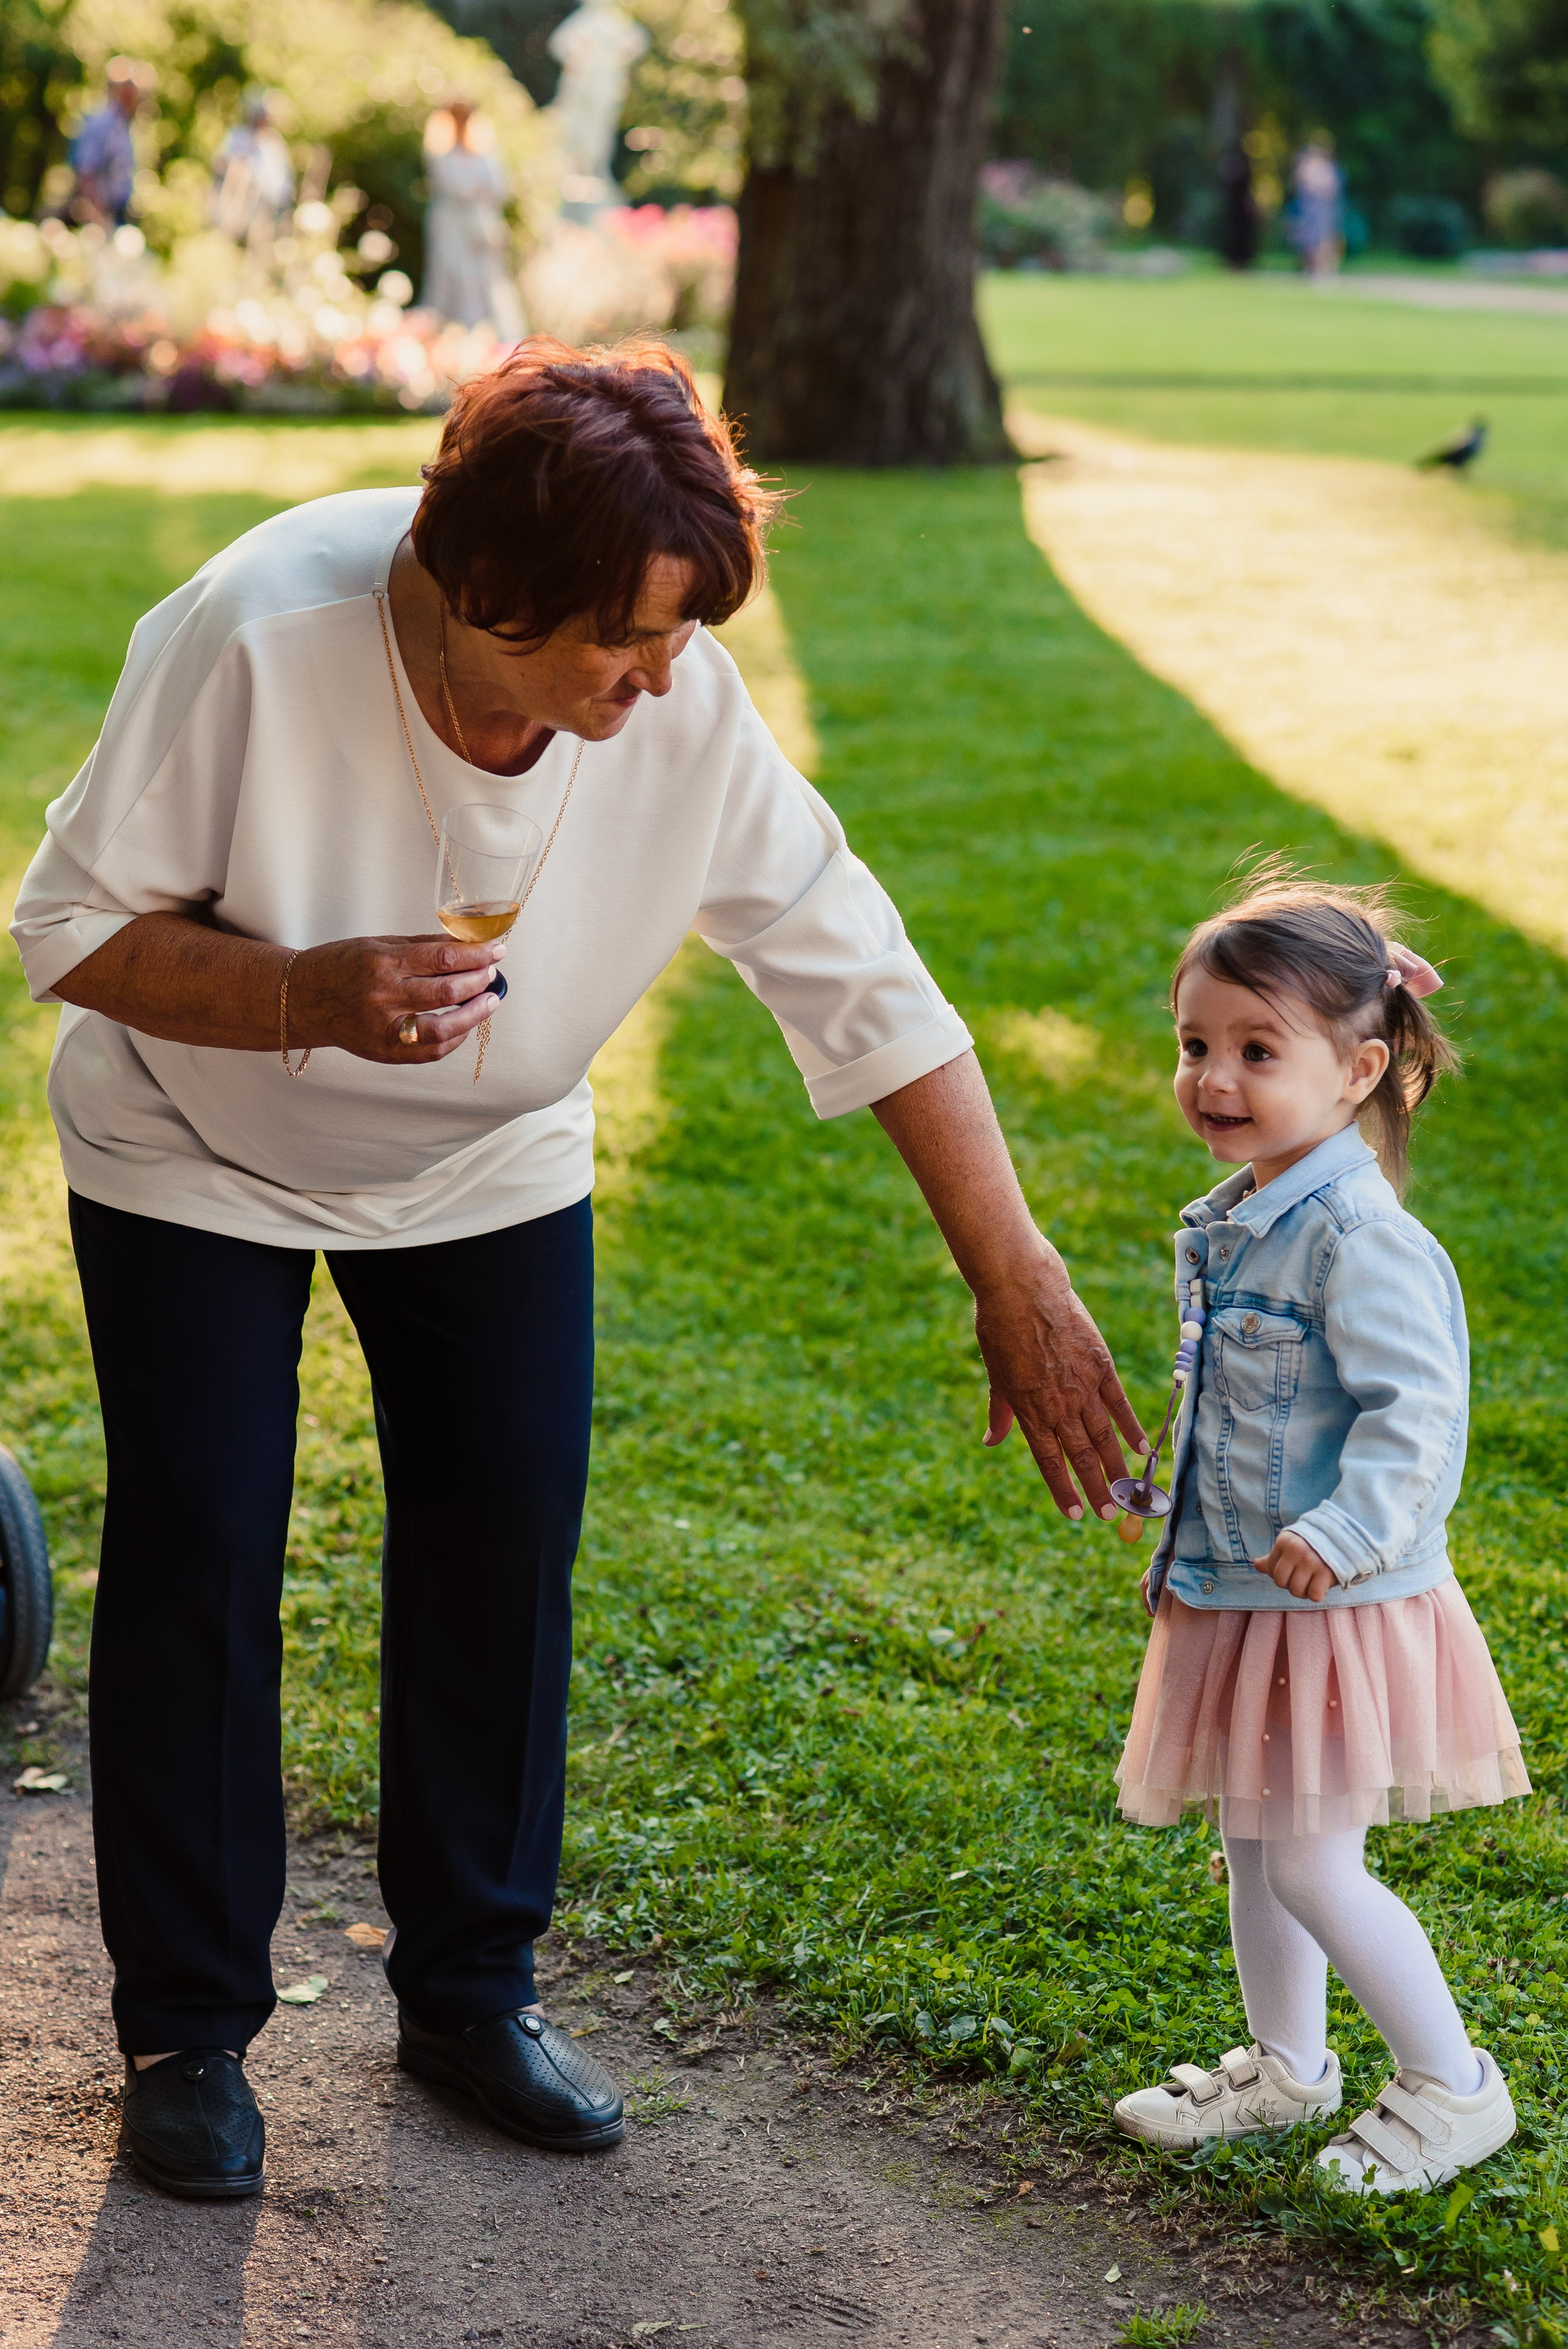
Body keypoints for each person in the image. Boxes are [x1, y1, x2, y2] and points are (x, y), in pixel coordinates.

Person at [10, 336, 1145, 2199]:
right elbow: (67, 927)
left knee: (500, 1530)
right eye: (625, 637)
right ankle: (190, 2031)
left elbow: (855, 969)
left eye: (684, 633)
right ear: (486, 592)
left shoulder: (675, 709)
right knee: (202, 1537)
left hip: (485, 1161)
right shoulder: (257, 630)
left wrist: (1008, 1270)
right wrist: (303, 993)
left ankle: (470, 1992)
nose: (660, 678)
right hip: (191, 1145)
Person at [1112, 870, 1527, 2194]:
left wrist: (1348, 1527)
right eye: (1193, 1045)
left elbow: (1421, 1415)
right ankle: (1287, 2067)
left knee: (1305, 1858)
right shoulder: (1240, 1221)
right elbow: (1237, 1408)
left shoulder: (1357, 1238)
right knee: (1254, 1842)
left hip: (1332, 1602)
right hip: (1242, 1591)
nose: (1210, 1078)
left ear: (1355, 1071)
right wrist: (1160, 1502)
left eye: (1252, 1051)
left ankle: (1454, 2086)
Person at [421, 102, 524, 339]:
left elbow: (499, 188)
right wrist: (477, 191)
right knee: (453, 277)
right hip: (452, 229)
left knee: (487, 281)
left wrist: (477, 191)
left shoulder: (485, 156)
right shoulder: (442, 157)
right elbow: (456, 188)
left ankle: (489, 337)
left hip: (480, 229)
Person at [69, 57, 154, 231]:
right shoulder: (101, 124)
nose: (136, 95)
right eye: (129, 88)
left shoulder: (124, 126)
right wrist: (97, 218)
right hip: (100, 214)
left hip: (117, 212)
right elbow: (87, 172)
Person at [212, 90, 296, 248]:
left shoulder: (274, 143)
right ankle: (227, 234)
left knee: (259, 238)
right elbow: (220, 161)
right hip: (234, 193)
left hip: (265, 201)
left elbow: (281, 181)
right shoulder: (237, 135)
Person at [1290, 136, 1343, 278]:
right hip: (1309, 209)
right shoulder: (1308, 167)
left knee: (1324, 237)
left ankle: (1323, 268)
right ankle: (1311, 267)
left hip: (1321, 209)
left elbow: (1331, 189)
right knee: (1308, 237)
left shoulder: (1327, 168)